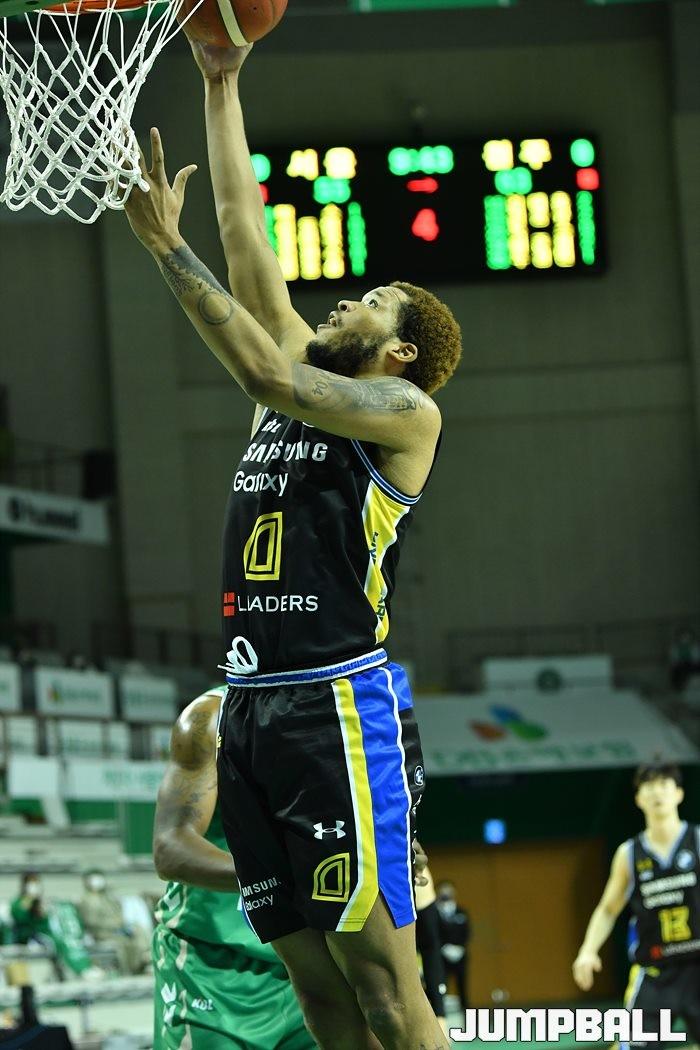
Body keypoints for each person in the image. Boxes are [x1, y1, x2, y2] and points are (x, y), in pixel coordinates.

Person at [124, 35, 461, 1050]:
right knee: (317, 992)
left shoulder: (403, 412)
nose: (345, 298)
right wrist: (221, 82)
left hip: (334, 707)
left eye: (372, 302)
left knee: (389, 993)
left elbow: (266, 374)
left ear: (399, 349)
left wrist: (161, 246)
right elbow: (244, 236)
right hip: (255, 707)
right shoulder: (304, 378)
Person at [152, 687, 314, 1049]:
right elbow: (169, 847)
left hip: (310, 964)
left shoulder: (340, 715)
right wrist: (274, 878)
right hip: (214, 968)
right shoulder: (211, 718)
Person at [572, 763, 700, 1044]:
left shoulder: (697, 840)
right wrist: (588, 950)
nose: (657, 793)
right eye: (649, 787)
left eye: (664, 785)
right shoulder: (629, 854)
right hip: (655, 971)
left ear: (679, 794)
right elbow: (608, 909)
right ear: (639, 799)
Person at [78, 869, 150, 975]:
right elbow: (91, 922)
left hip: (117, 929)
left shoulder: (107, 897)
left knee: (138, 930)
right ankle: (130, 968)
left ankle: (145, 957)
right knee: (124, 942)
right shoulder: (86, 900)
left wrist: (120, 925)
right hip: (101, 933)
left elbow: (118, 913)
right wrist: (113, 926)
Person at [415, 864, 448, 1036]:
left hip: (422, 898)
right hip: (389, 897)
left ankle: (440, 1019)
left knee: (432, 956)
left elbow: (431, 950)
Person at [436, 881, 471, 1012]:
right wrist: (443, 948)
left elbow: (467, 932)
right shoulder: (434, 913)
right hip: (440, 957)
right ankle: (440, 1013)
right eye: (443, 891)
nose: (446, 894)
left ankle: (466, 1013)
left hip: (460, 955)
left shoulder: (461, 912)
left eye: (449, 891)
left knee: (462, 985)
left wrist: (460, 948)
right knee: (440, 985)